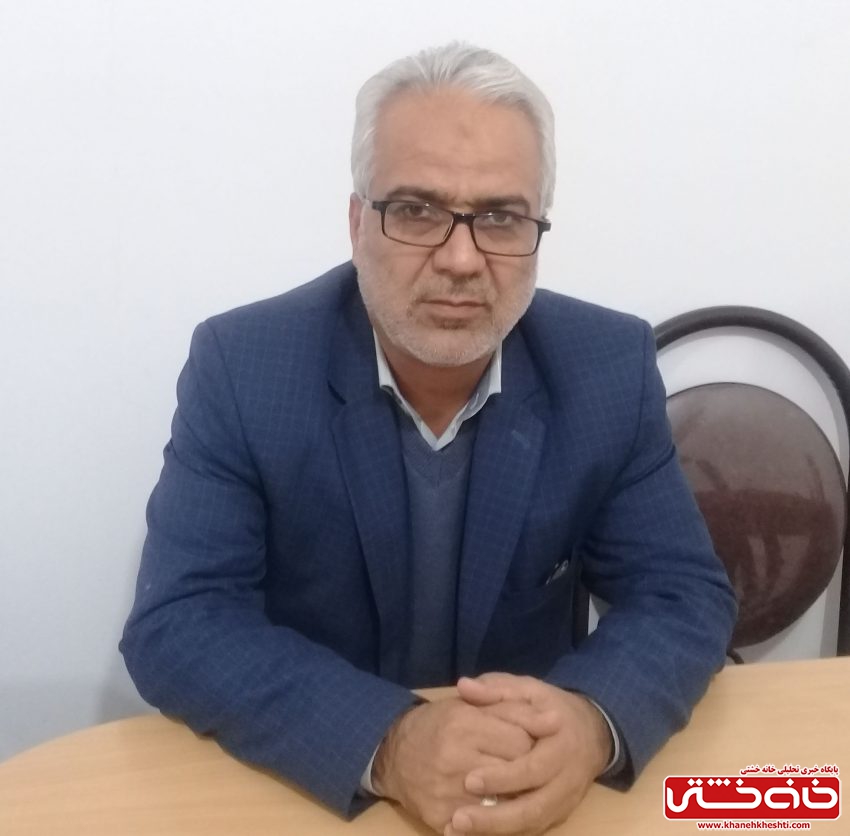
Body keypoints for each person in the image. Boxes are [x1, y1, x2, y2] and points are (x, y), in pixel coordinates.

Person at [121, 43, 736, 836]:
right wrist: (389, 741)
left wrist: (590, 722)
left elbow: (682, 593)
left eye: (501, 218)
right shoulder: (244, 366)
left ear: (538, 230)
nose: (460, 259)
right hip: (318, 794)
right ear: (357, 223)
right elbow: (180, 620)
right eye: (416, 210)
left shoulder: (606, 367)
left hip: (525, 791)